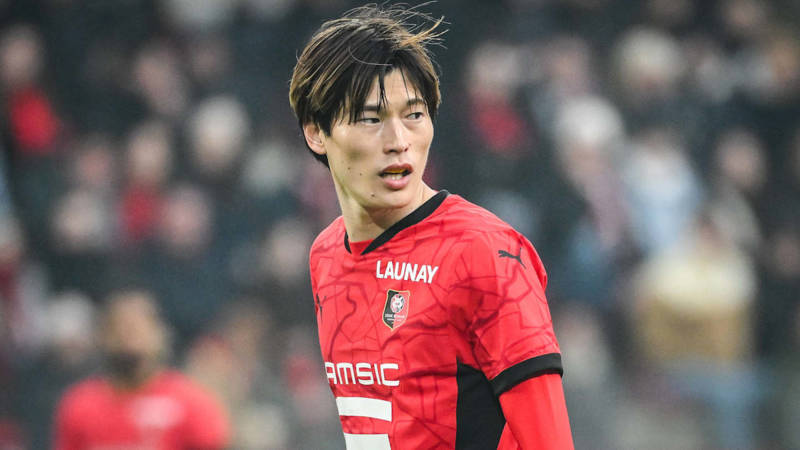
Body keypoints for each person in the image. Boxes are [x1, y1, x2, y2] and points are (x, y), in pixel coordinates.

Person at [289, 4, 573, 449]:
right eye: (371, 118)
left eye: (414, 115)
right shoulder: (325, 255)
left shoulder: (484, 253)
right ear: (316, 133)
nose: (399, 140)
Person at [53, 289, 230, 450]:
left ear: (159, 335)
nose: (127, 339)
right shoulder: (80, 406)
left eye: (136, 329)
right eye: (118, 329)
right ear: (102, 337)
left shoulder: (191, 405)